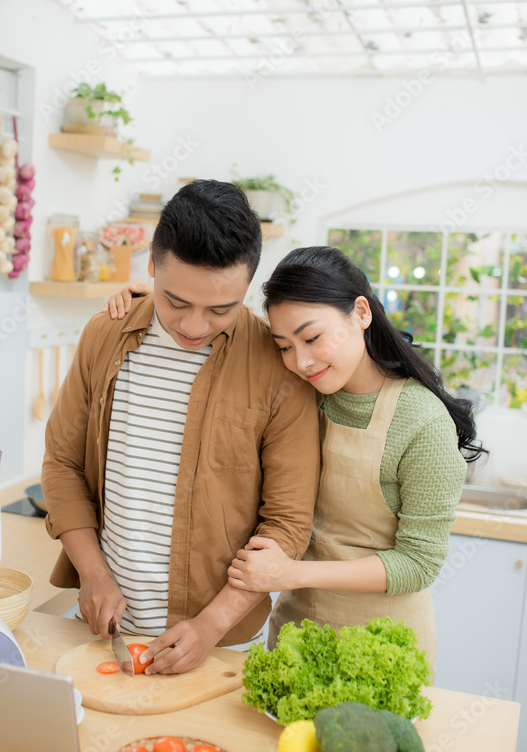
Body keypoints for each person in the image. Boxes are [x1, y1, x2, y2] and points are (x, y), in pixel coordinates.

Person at [109, 246, 484, 671]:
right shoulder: (302, 391)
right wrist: (163, 299)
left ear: (361, 313)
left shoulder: (423, 422)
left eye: (312, 338)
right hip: (296, 634)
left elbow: (418, 564)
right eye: (284, 345)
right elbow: (229, 318)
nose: (301, 361)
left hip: (385, 646)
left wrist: (290, 574)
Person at [41, 180, 319, 675]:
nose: (193, 327)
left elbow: (287, 522)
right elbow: (62, 464)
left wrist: (212, 624)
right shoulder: (105, 333)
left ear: (248, 286)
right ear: (150, 266)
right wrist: (93, 574)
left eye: (220, 309)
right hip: (107, 633)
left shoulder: (277, 367)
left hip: (222, 646)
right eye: (175, 302)